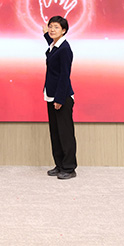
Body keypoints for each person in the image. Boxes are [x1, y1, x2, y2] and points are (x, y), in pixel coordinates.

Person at [43, 15, 76, 180]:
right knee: (55, 133)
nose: (52, 29)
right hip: (50, 95)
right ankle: (60, 165)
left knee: (65, 133)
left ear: (64, 30)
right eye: (50, 26)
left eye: (56, 27)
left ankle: (69, 168)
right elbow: (50, 42)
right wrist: (45, 34)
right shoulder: (54, 46)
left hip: (61, 97)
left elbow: (64, 75)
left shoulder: (65, 49)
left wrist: (59, 99)